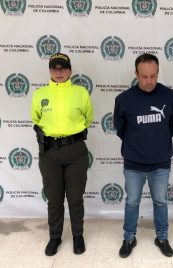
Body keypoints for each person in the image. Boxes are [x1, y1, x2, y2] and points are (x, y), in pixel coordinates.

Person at [114, 53, 173, 258]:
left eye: (153, 76)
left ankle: (162, 237)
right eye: (144, 76)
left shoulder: (170, 96)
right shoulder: (123, 99)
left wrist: (158, 142)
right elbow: (120, 128)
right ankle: (128, 238)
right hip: (133, 163)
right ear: (136, 74)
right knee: (132, 202)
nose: (149, 81)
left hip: (161, 163)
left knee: (160, 201)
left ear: (158, 73)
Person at [31, 53, 93, 256]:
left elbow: (88, 117)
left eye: (63, 68)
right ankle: (55, 237)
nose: (59, 72)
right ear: (49, 70)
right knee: (54, 199)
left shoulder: (81, 92)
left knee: (75, 198)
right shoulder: (40, 94)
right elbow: (36, 119)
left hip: (75, 151)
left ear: (70, 70)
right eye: (55, 68)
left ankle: (78, 236)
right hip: (49, 153)